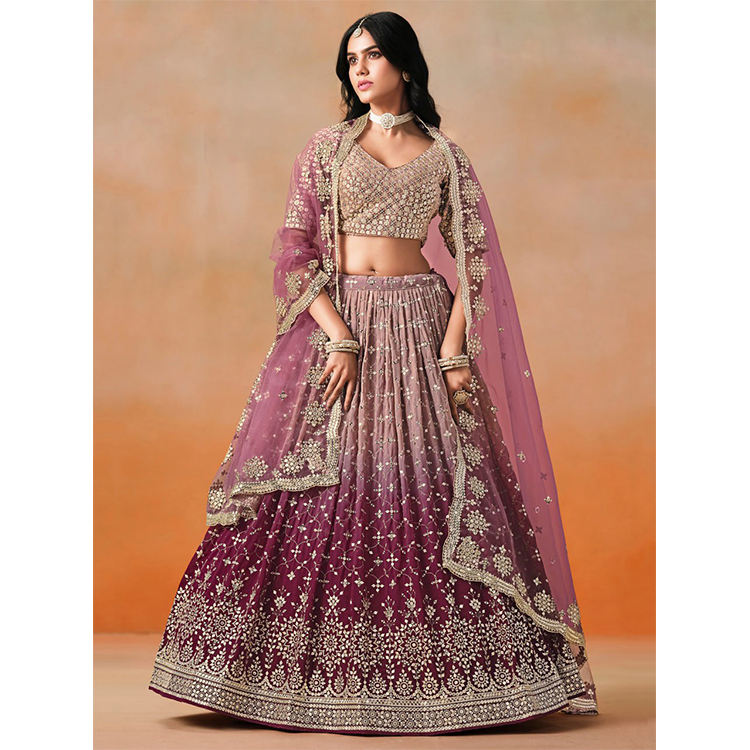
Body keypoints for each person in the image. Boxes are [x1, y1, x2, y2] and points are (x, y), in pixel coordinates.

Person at [148, 11, 599, 735]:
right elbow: (294, 248)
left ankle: (454, 680)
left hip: (421, 324)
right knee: (319, 485)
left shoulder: (446, 157)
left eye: (374, 55)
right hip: (345, 326)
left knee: (435, 482)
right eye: (351, 58)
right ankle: (276, 675)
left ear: (404, 65)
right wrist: (338, 337)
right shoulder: (326, 149)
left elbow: (476, 263)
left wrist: (455, 353)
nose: (360, 69)